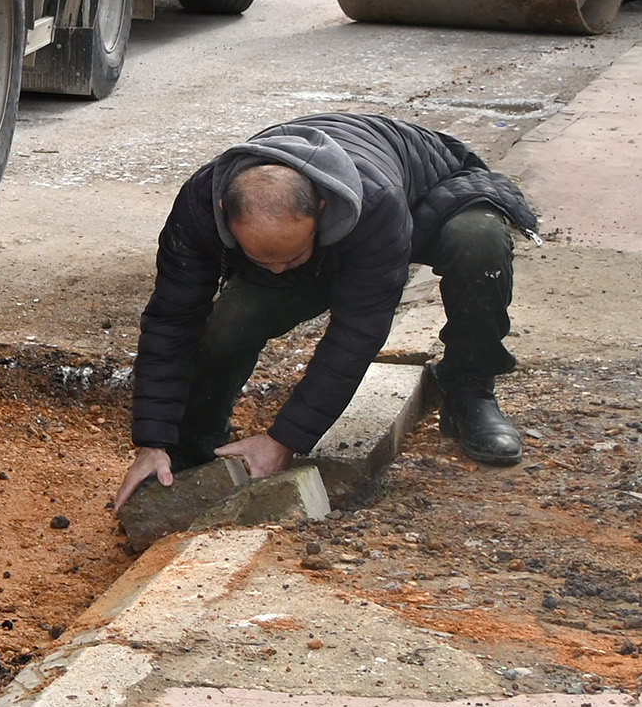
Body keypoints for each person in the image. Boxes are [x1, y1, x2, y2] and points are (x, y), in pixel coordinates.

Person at [112, 112, 540, 512]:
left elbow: (358, 331)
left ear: (319, 210)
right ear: (225, 212)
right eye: (263, 259)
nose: (278, 271)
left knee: (478, 240)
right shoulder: (200, 204)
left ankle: (470, 390)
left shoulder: (377, 202)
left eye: (290, 257)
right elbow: (172, 318)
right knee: (229, 322)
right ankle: (194, 443)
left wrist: (286, 440)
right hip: (331, 235)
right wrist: (154, 440)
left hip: (426, 198)